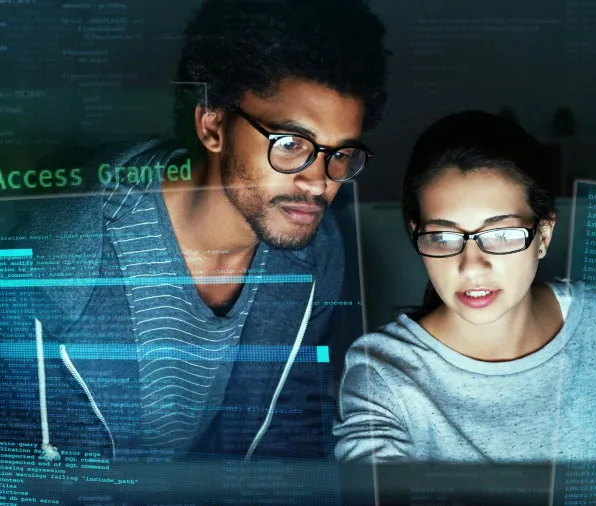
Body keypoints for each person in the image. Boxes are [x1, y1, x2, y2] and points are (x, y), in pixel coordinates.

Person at [0, 0, 389, 461]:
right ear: (213, 124)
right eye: (290, 144)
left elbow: (293, 429)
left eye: (340, 153)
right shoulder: (59, 258)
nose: (320, 181)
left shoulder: (316, 251)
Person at [333, 111, 596, 463]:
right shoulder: (383, 371)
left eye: (502, 234)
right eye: (444, 237)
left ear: (543, 235)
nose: (471, 265)